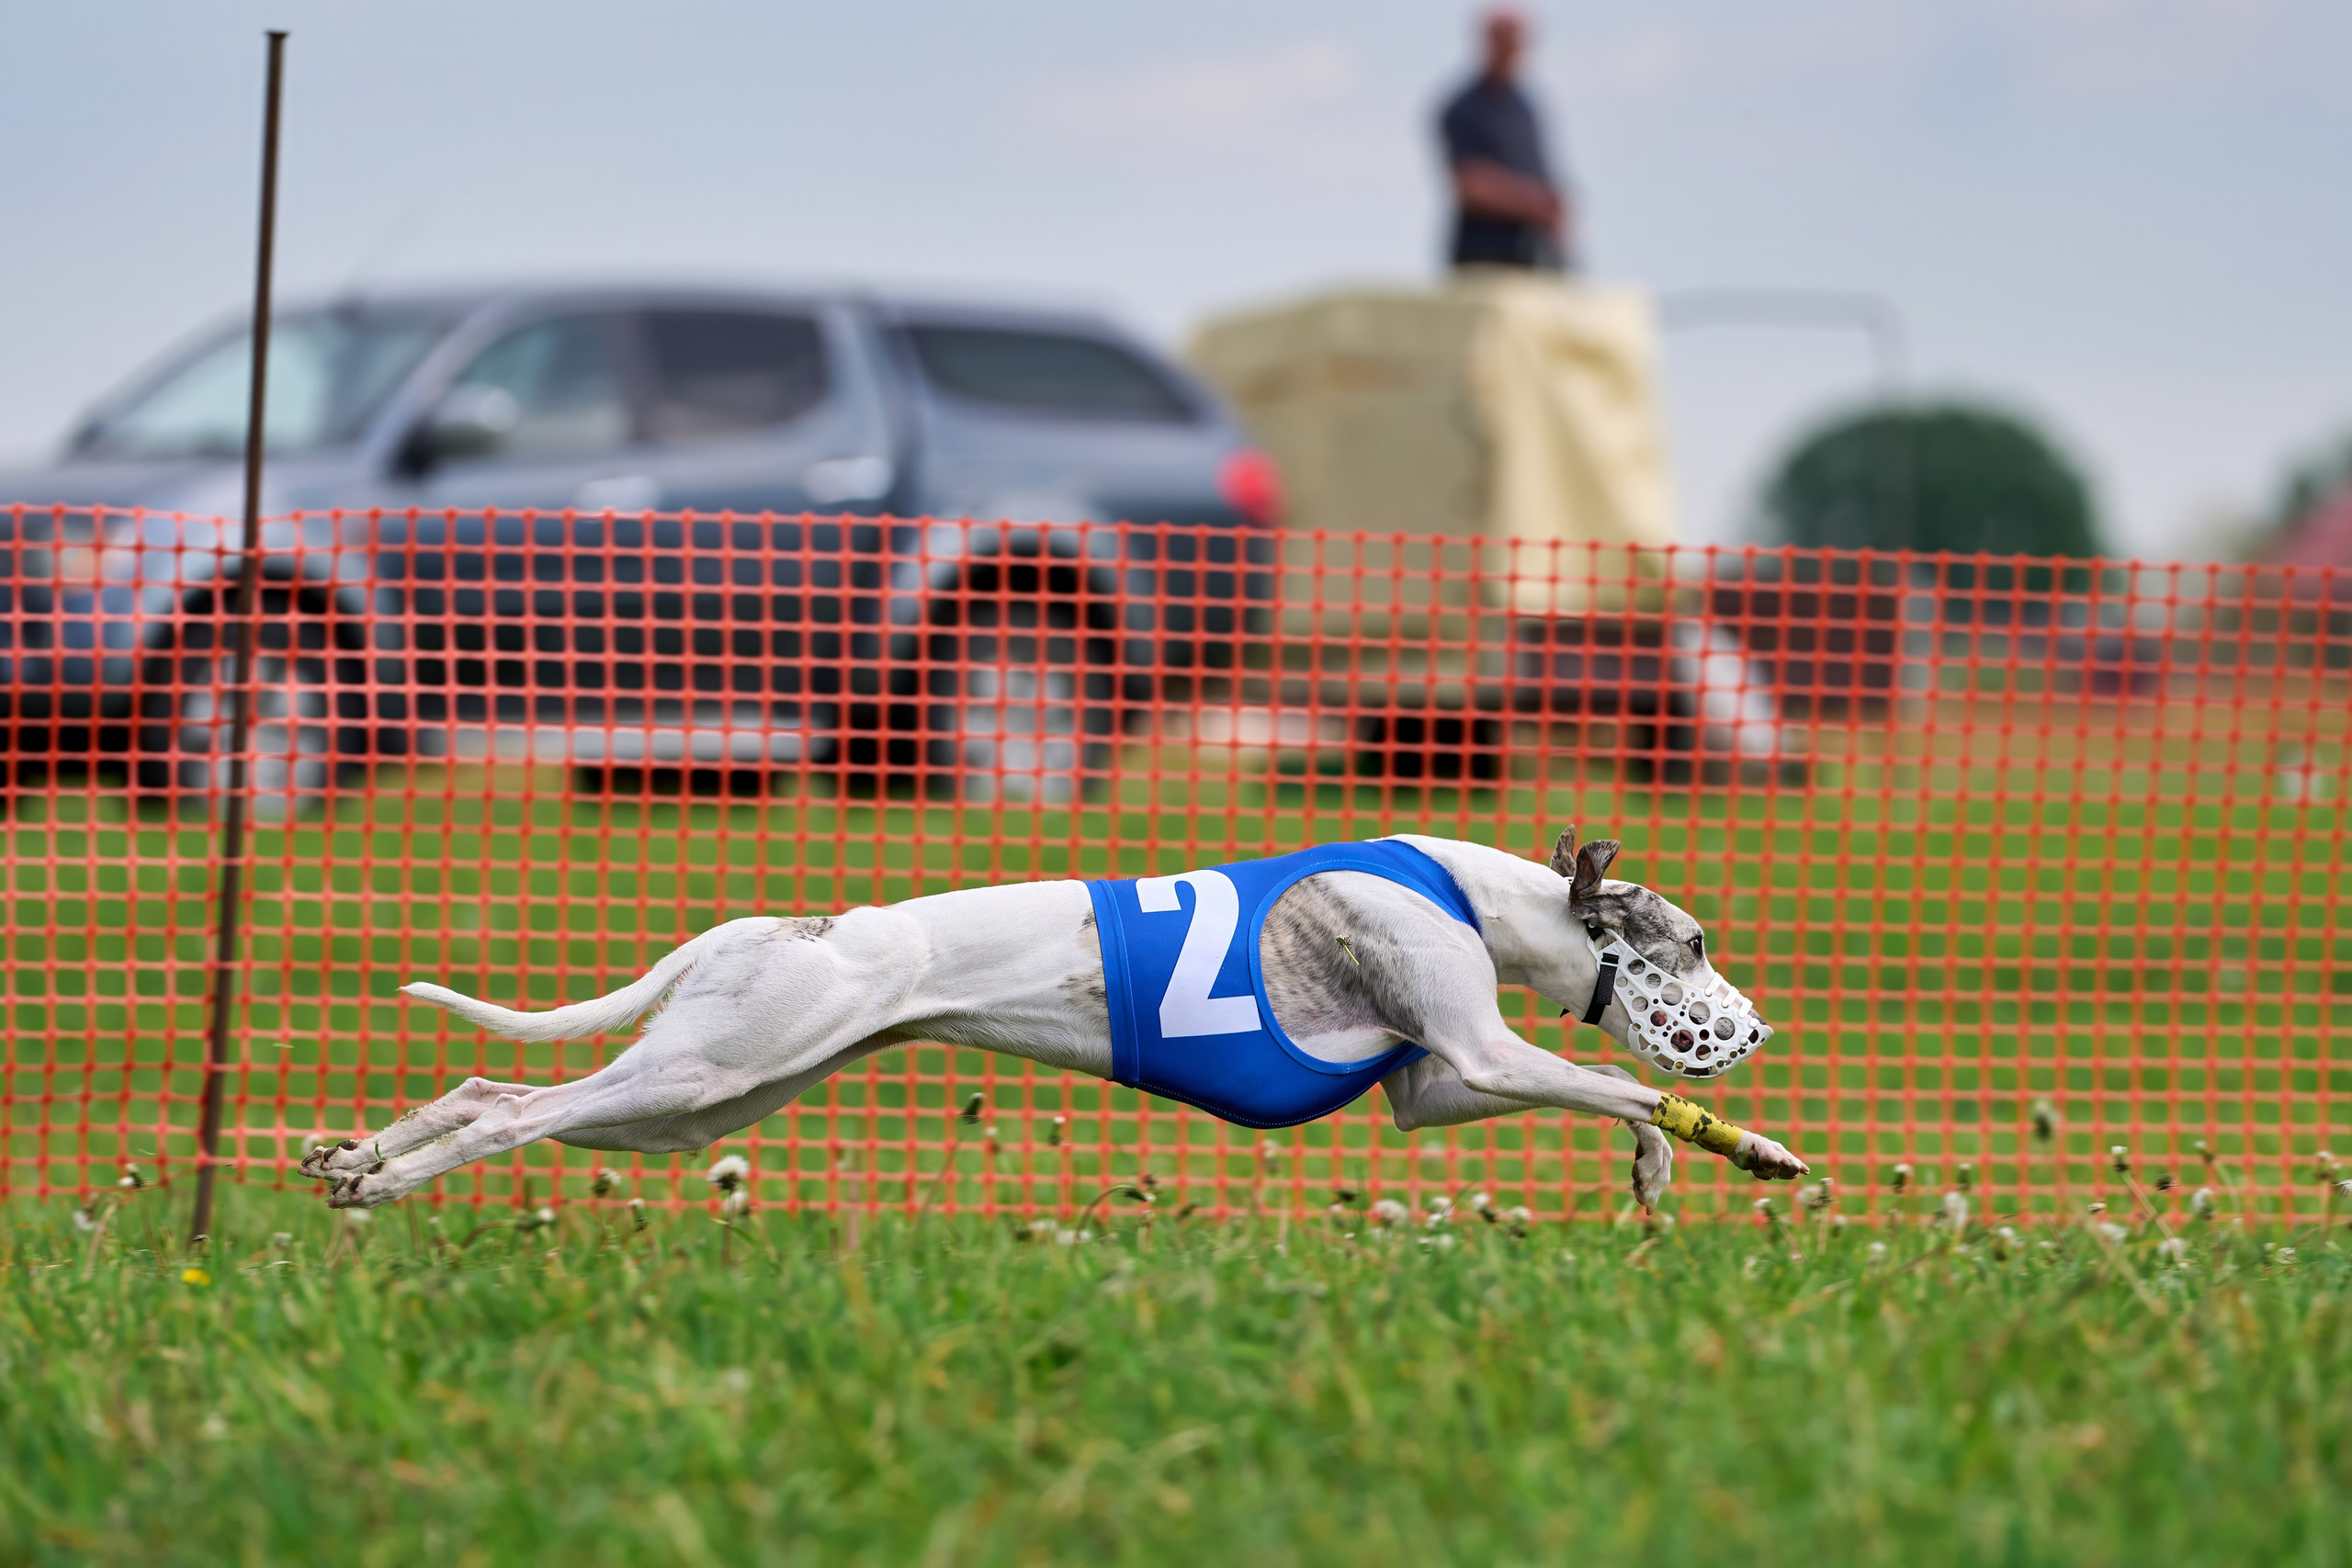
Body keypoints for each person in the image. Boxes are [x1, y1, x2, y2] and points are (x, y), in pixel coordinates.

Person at [1438, 8, 1573, 272]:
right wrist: (1535, 204)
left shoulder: (1527, 109)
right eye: (1505, 39)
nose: (1512, 48)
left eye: (1518, 41)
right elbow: (1469, 183)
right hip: (1482, 256)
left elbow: (1543, 179)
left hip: (1530, 254)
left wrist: (1555, 214)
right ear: (1487, 41)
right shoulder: (1463, 108)